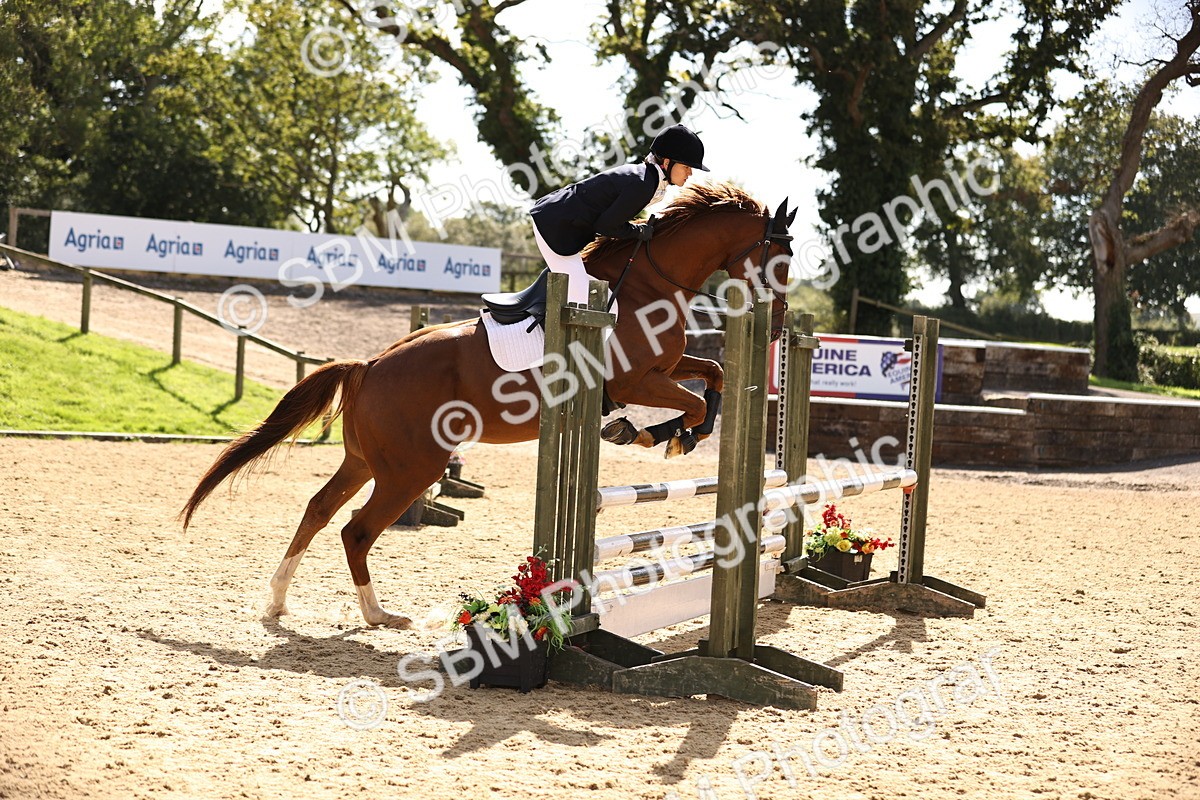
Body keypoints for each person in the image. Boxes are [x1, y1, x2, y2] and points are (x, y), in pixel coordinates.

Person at [528, 124, 709, 307]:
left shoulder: (647, 178)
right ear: (667, 163)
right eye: (686, 166)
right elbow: (606, 226)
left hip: (559, 222)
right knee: (589, 304)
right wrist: (637, 232)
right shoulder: (643, 184)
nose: (690, 173)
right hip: (554, 227)